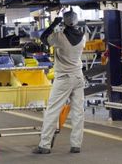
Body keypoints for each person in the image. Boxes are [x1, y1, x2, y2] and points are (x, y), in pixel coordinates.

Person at [33, 9, 86, 154]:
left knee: (52, 111)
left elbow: (43, 38)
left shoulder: (59, 37)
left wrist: (54, 23)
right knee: (78, 112)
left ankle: (44, 145)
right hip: (78, 77)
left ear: (64, 22)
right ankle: (76, 145)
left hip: (64, 79)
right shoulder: (83, 37)